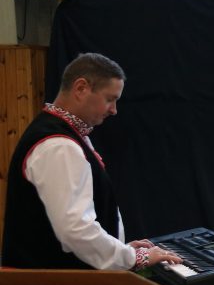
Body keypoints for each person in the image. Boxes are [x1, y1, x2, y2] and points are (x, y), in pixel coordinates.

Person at [2, 52, 180, 271]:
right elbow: (76, 230)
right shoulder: (59, 145)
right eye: (110, 99)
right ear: (81, 88)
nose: (114, 110)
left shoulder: (63, 135)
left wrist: (120, 249)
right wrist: (132, 258)